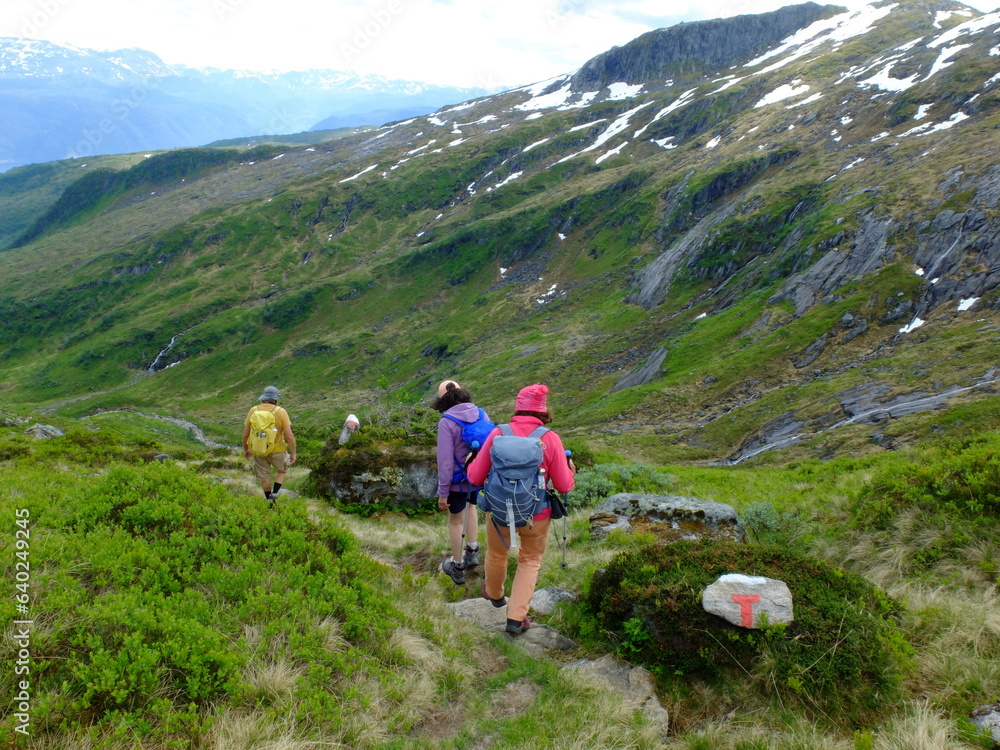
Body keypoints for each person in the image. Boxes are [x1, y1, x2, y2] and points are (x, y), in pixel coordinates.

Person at [467, 383, 576, 635]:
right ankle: (516, 618)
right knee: (530, 560)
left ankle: (494, 593)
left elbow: (474, 477)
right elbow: (563, 484)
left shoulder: (498, 434)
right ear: (543, 412)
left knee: (497, 553)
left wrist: (470, 461)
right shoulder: (550, 438)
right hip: (536, 514)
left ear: (518, 408)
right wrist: (570, 468)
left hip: (499, 512)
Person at [433, 379, 487, 585]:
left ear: (442, 400)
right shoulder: (481, 413)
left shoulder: (447, 421)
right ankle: (472, 551)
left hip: (456, 481)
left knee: (455, 520)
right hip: (477, 476)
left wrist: (443, 492)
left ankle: (457, 565)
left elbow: (445, 461)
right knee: (471, 507)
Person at [243, 386, 297, 506]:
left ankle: (268, 499)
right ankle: (275, 493)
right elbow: (289, 435)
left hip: (259, 449)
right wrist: (293, 453)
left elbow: (246, 434)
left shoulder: (253, 410)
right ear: (275, 399)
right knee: (282, 470)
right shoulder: (281, 411)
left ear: (264, 398)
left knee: (264, 475)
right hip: (277, 449)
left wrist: (246, 449)